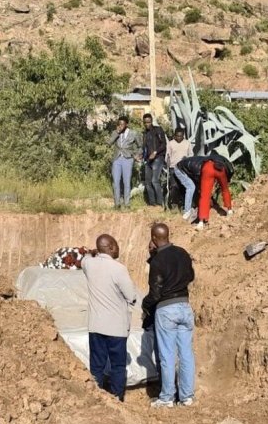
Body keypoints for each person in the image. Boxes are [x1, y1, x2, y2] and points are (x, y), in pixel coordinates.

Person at [142, 223, 195, 408]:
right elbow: (191, 276)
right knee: (186, 353)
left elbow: (155, 293)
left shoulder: (157, 260)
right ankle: (187, 396)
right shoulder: (182, 253)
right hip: (185, 306)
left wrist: (145, 305)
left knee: (167, 355)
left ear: (154, 238)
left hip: (166, 309)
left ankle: (167, 398)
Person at [81, 234, 138, 402]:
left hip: (96, 326)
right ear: (112, 247)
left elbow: (85, 257)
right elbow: (131, 296)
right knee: (118, 366)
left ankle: (96, 398)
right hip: (116, 328)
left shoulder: (88, 264)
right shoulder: (118, 268)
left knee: (96, 366)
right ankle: (116, 398)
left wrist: (93, 252)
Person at [176, 152, 234, 230]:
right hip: (220, 169)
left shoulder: (202, 161)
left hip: (207, 168)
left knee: (204, 196)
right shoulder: (227, 165)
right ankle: (229, 210)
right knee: (225, 189)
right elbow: (227, 181)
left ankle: (201, 222)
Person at [107, 115, 141, 209]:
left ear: (127, 124)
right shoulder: (115, 132)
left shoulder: (133, 133)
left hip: (128, 159)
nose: (121, 125)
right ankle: (117, 204)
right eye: (119, 124)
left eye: (122, 124)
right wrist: (117, 133)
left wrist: (137, 155)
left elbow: (140, 146)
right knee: (116, 181)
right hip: (117, 159)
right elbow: (109, 143)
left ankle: (127, 204)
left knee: (126, 181)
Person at [165, 127, 195, 220]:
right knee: (174, 186)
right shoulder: (170, 144)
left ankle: (183, 205)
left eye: (180, 136)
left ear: (183, 136)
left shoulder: (187, 143)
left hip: (184, 168)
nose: (179, 138)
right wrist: (168, 164)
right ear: (174, 136)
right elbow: (167, 156)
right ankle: (174, 204)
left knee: (184, 187)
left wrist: (187, 158)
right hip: (173, 168)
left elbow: (191, 155)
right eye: (177, 136)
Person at [141, 113, 167, 207]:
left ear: (151, 121)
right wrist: (141, 155)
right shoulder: (145, 133)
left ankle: (160, 202)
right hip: (148, 160)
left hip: (158, 158)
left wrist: (155, 152)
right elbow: (144, 148)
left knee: (155, 181)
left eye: (148, 122)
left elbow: (163, 144)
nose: (147, 124)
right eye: (145, 122)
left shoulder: (158, 130)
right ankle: (152, 203)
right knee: (147, 182)